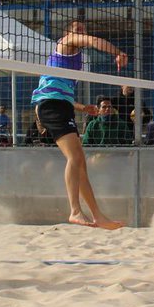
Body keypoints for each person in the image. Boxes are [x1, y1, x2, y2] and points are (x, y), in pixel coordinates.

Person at [31, 19, 128, 229]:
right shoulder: (67, 42)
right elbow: (92, 40)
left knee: (80, 164)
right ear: (68, 32)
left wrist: (83, 108)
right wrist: (117, 52)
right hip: (51, 106)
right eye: (76, 27)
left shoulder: (72, 61)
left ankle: (97, 215)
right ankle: (75, 210)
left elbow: (58, 90)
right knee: (75, 158)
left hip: (60, 106)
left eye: (83, 26)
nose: (81, 28)